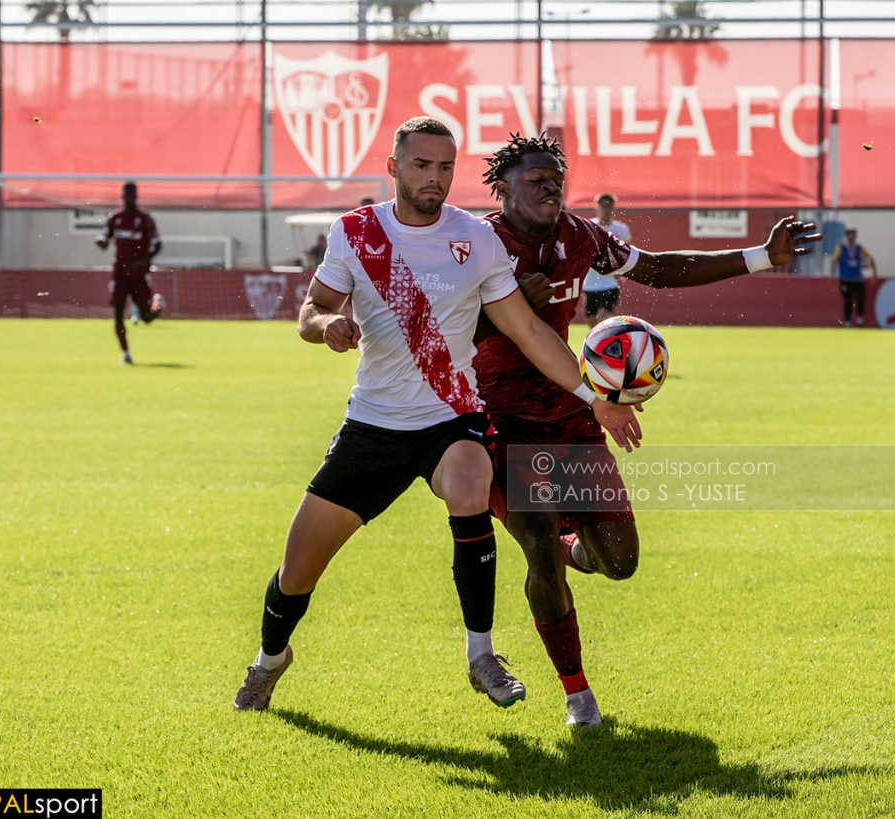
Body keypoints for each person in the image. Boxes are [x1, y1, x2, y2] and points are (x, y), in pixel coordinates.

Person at [232, 117, 641, 713]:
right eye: (422, 165)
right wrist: (327, 327)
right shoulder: (355, 232)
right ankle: (269, 660)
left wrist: (592, 397)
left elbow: (528, 331)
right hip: (373, 425)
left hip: (452, 418)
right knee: (298, 571)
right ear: (393, 168)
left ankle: (482, 656)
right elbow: (311, 311)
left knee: (471, 485)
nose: (435, 178)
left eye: (445, 167)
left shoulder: (475, 238)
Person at [474, 132, 822, 728]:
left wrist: (762, 256)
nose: (551, 188)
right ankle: (578, 696)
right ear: (503, 188)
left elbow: (658, 269)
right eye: (536, 181)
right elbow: (433, 327)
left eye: (557, 180)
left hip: (572, 414)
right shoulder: (474, 245)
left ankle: (571, 544)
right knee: (539, 552)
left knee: (619, 561)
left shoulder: (582, 236)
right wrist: (497, 311)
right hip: (498, 422)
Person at [96, 181, 164, 365]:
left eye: (132, 194)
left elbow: (158, 244)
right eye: (127, 194)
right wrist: (100, 242)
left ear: (136, 196)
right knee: (118, 315)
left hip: (138, 275)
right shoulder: (115, 218)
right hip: (120, 274)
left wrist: (145, 259)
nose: (129, 197)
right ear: (122, 196)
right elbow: (105, 238)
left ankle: (157, 305)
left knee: (146, 318)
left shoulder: (144, 219)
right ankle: (126, 353)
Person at [582, 193, 630, 324]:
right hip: (590, 283)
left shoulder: (621, 229)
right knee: (592, 320)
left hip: (609, 283)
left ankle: (610, 335)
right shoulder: (588, 226)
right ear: (596, 207)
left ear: (613, 207)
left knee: (606, 316)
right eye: (603, 205)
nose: (606, 209)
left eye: (609, 205)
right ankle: (600, 337)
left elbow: (626, 252)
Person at [832, 226, 877, 327]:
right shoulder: (840, 248)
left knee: (860, 299)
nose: (852, 236)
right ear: (847, 235)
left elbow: (870, 259)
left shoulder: (860, 248)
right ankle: (847, 321)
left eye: (854, 234)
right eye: (850, 234)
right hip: (846, 279)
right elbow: (834, 261)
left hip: (858, 279)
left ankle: (860, 320)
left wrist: (874, 274)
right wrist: (833, 275)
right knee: (848, 300)